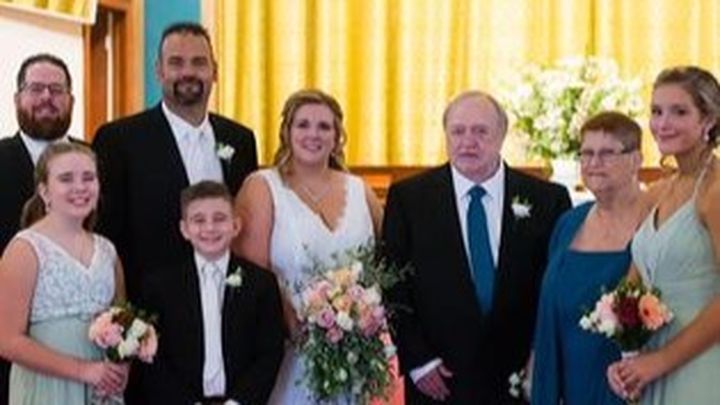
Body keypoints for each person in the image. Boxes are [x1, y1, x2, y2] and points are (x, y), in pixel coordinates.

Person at [382, 90, 571, 403]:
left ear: (502, 135)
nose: (468, 142)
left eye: (481, 131)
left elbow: (556, 286)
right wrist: (418, 360)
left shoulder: (548, 199)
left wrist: (541, 353)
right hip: (439, 377)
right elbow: (393, 284)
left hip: (520, 376)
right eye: (458, 131)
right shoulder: (409, 199)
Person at [233, 89, 384, 404]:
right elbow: (252, 273)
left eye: (324, 126)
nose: (313, 134)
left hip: (350, 352)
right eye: (302, 125)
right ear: (286, 132)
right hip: (289, 346)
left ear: (337, 136)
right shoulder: (262, 186)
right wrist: (289, 319)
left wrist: (361, 317)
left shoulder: (361, 191)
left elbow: (383, 265)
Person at [91, 22, 258, 305]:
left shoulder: (240, 139)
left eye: (199, 62)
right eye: (176, 63)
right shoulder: (119, 139)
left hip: (227, 302)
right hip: (150, 306)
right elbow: (106, 235)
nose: (188, 72)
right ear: (159, 71)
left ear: (215, 71)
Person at [607, 66, 720, 404]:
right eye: (656, 111)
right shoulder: (655, 194)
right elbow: (632, 289)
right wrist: (627, 359)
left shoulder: (714, 192)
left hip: (702, 364)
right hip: (652, 366)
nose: (663, 123)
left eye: (679, 112)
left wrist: (659, 362)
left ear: (709, 119)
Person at [531, 112, 649, 404]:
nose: (594, 163)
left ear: (636, 159)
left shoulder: (653, 223)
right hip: (569, 383)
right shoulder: (569, 222)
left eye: (607, 153)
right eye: (586, 153)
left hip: (628, 383)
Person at [0, 142, 128, 404]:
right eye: (66, 179)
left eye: (88, 178)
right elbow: (7, 340)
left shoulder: (107, 250)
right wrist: (83, 371)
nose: (80, 187)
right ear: (44, 191)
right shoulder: (25, 248)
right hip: (48, 386)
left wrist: (121, 366)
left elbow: (123, 320)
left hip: (100, 387)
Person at [140, 180, 285, 404]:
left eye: (219, 219)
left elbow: (270, 353)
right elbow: (153, 358)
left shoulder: (261, 284)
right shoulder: (160, 287)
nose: (209, 228)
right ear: (184, 229)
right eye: (199, 220)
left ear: (236, 225)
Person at [0, 53, 81, 405]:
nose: (46, 97)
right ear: (17, 99)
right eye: (35, 89)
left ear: (71, 100)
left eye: (56, 90)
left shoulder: (97, 160)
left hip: (86, 347)